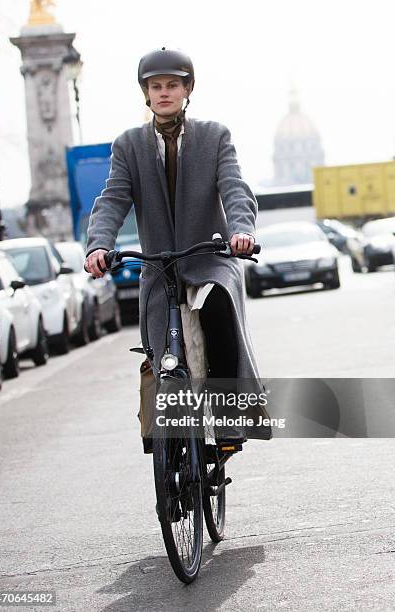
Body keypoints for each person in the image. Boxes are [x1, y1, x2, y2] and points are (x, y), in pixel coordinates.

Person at [84, 47, 272, 445]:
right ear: (146, 93)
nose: (164, 92)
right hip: (159, 266)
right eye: (156, 86)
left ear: (187, 89)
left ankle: (226, 421)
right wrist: (98, 246)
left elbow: (235, 189)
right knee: (159, 349)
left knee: (218, 305)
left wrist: (241, 232)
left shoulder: (214, 136)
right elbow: (113, 199)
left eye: (173, 85)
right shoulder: (129, 145)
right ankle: (163, 435)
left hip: (210, 258)